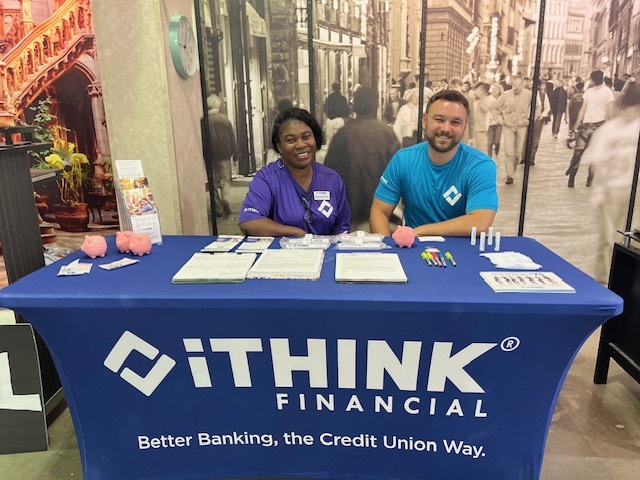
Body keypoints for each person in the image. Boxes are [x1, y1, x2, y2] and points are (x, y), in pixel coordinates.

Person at [369, 89, 498, 237]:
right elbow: (379, 211)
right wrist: (387, 247)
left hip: (462, 249)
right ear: (424, 121)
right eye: (439, 120)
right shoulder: (403, 160)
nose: (446, 129)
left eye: (455, 122)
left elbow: (480, 223)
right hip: (414, 247)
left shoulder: (480, 166)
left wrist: (418, 231)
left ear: (465, 126)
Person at [238, 108, 350, 236]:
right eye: (291, 140)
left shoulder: (332, 179)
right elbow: (249, 221)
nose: (301, 144)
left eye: (306, 137)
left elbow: (342, 229)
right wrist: (298, 234)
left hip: (325, 249)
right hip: (282, 249)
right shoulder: (267, 179)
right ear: (279, 146)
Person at [584, 82, 640, 283]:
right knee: (608, 240)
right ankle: (604, 282)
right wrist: (598, 192)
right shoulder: (609, 131)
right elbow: (595, 163)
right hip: (610, 193)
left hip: (635, 192)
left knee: (633, 240)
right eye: (632, 109)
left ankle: (627, 284)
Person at [325, 87, 400, 231]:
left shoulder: (342, 134)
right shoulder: (387, 134)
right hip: (381, 212)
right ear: (376, 106)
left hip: (349, 213)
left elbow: (328, 174)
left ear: (355, 106)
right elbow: (398, 176)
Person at [566, 70, 615, 188]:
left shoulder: (607, 92)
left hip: (599, 126)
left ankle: (588, 179)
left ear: (593, 80)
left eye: (590, 79)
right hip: (588, 126)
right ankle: (573, 179)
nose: (589, 81)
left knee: (588, 155)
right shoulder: (589, 92)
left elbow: (610, 113)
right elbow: (582, 111)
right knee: (578, 154)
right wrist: (575, 128)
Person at [490, 75, 532, 184]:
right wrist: (499, 119)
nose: (516, 87)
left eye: (518, 85)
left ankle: (512, 169)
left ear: (522, 84)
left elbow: (537, 107)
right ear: (512, 84)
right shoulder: (506, 94)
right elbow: (495, 108)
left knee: (517, 154)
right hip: (508, 125)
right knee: (509, 152)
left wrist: (529, 119)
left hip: (522, 125)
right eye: (514, 85)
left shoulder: (529, 95)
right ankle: (509, 175)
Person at [207, 94, 236, 217]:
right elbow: (232, 137)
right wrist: (234, 153)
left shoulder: (204, 121)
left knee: (213, 182)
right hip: (225, 154)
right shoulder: (225, 119)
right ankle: (225, 199)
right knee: (225, 180)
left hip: (210, 155)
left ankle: (218, 208)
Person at [528, 81, 551, 166]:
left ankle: (531, 157)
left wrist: (542, 115)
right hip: (526, 119)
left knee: (535, 140)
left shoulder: (543, 95)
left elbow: (547, 107)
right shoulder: (526, 94)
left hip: (538, 119)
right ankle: (524, 156)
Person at [486, 83, 503, 160]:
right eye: (492, 89)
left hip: (499, 122)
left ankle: (497, 155)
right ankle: (489, 158)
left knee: (497, 142)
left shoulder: (502, 98)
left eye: (495, 89)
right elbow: (486, 109)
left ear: (499, 90)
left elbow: (505, 109)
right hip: (490, 122)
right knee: (489, 142)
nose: (493, 90)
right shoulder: (488, 99)